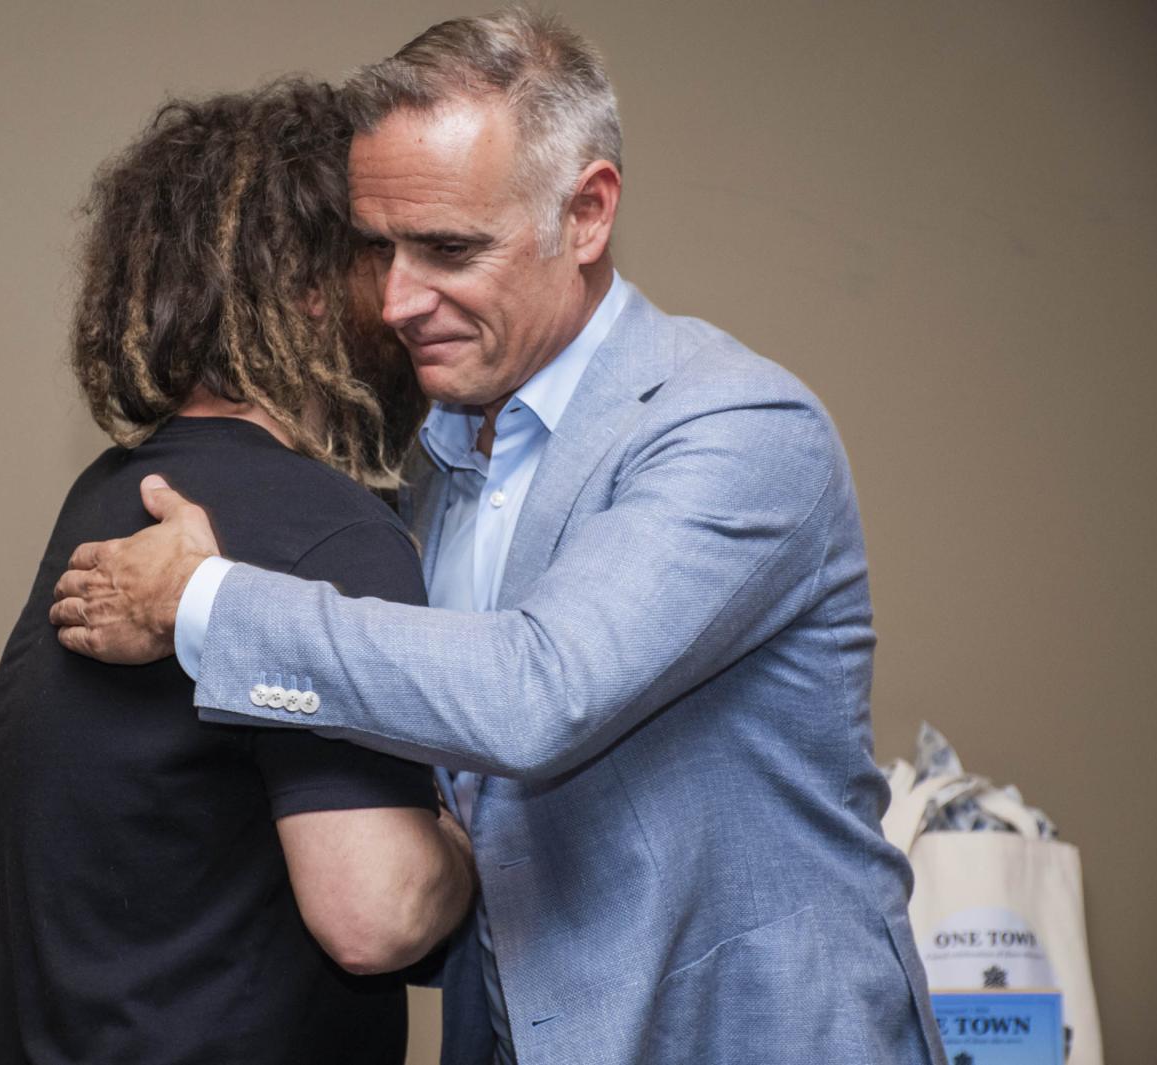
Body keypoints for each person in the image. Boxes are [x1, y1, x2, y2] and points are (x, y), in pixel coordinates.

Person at [50, 9, 949, 1065]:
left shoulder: (735, 428)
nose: (394, 300)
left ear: (586, 213)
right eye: (376, 249)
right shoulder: (420, 465)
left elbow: (538, 692)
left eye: (446, 250)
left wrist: (202, 601)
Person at [0, 81, 475, 1065]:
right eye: (385, 256)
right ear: (313, 288)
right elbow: (372, 912)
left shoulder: (111, 491)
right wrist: (474, 849)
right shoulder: (330, 534)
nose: (410, 297)